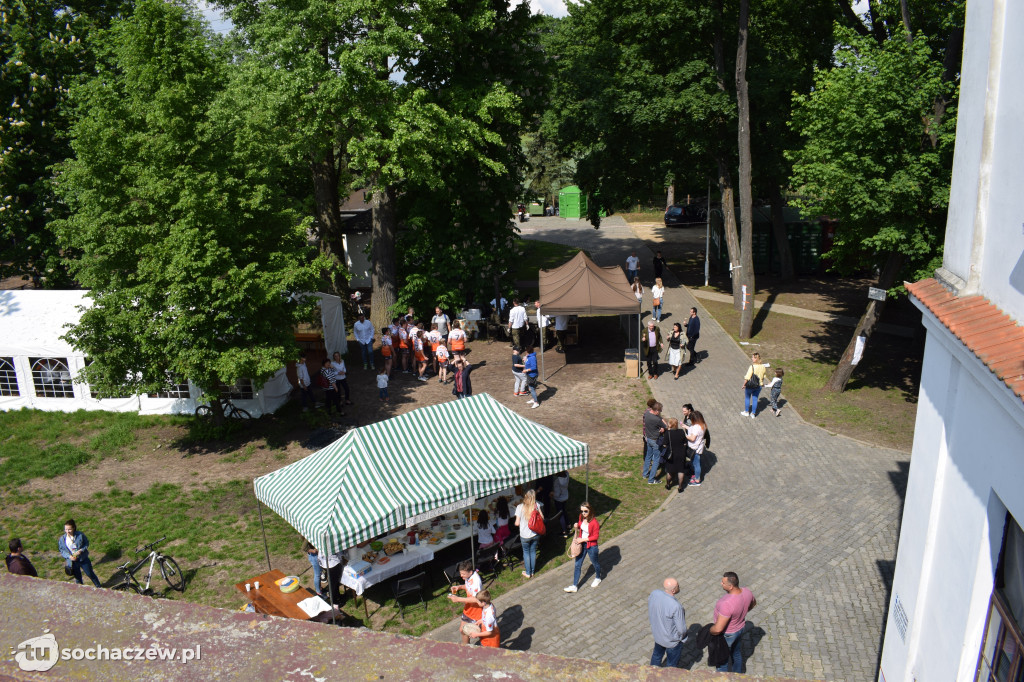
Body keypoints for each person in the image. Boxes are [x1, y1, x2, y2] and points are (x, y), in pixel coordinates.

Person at [711, 572, 757, 673]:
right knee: (736, 653)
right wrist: (742, 611)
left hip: (727, 634)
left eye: (723, 583)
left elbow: (718, 629)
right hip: (740, 628)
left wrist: (711, 630)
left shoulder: (726, 604)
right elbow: (753, 603)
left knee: (722, 660)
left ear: (730, 586)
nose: (721, 584)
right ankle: (738, 676)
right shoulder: (747, 592)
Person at [564, 501, 602, 592]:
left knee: (595, 563)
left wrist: (583, 540)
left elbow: (595, 536)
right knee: (577, 564)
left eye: (585, 511)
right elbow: (580, 527)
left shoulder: (594, 523)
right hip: (582, 545)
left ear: (590, 511)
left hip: (591, 546)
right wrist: (576, 526)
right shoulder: (581, 517)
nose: (583, 513)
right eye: (582, 511)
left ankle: (598, 577)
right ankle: (574, 586)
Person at [649, 577, 687, 667]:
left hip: (658, 636)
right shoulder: (676, 606)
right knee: (671, 664)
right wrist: (680, 638)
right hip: (672, 642)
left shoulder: (655, 593)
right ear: (673, 590)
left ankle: (651, 676)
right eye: (678, 586)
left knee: (656, 656)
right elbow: (681, 629)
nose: (679, 586)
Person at [448, 560, 483, 644]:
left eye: (463, 574)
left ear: (470, 572)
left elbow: (476, 599)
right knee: (462, 630)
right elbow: (468, 586)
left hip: (476, 611)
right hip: (468, 609)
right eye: (461, 573)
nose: (461, 576)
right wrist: (459, 587)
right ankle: (466, 649)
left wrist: (458, 599)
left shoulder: (476, 581)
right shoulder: (468, 577)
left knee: (479, 633)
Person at [58, 519, 101, 587]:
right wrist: (69, 557)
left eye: (69, 529)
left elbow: (86, 543)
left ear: (74, 528)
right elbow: (62, 550)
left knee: (90, 574)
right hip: (72, 562)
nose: (67, 531)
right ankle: (80, 590)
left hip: (83, 559)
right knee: (78, 578)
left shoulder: (80, 535)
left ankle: (99, 586)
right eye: (66, 529)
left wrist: (81, 550)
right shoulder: (62, 539)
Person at [514, 489, 543, 578]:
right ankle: (532, 571)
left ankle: (528, 572)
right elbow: (542, 517)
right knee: (533, 551)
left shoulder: (520, 507)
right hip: (535, 533)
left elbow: (517, 523)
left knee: (526, 552)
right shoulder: (536, 505)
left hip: (524, 535)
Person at [642, 401, 667, 484]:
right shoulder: (657, 419)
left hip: (648, 439)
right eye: (660, 411)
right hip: (655, 441)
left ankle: (645, 474)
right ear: (656, 411)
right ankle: (651, 480)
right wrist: (662, 429)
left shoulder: (647, 414)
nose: (660, 413)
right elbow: (665, 426)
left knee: (648, 456)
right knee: (656, 460)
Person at [664, 419, 689, 492]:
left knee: (670, 470)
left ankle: (668, 485)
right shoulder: (681, 432)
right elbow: (685, 442)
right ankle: (680, 487)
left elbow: (664, 444)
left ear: (670, 424)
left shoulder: (667, 433)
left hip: (671, 455)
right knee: (681, 471)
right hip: (681, 454)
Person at [741, 352, 768, 418]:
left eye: (753, 357)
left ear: (756, 359)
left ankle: (747, 412)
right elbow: (764, 376)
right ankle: (753, 413)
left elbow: (747, 377)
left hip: (750, 386)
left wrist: (744, 384)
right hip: (758, 386)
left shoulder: (752, 367)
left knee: (747, 398)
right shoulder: (763, 367)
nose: (752, 358)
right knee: (755, 399)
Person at [686, 410, 708, 487]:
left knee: (696, 464)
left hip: (694, 448)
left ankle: (697, 480)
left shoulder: (696, 427)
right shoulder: (703, 425)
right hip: (699, 447)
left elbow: (692, 438)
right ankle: (695, 476)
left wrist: (685, 436)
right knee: (696, 462)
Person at [549, 471, 570, 537]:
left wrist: (552, 494)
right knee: (564, 510)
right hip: (565, 496)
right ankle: (568, 525)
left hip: (559, 499)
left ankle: (564, 531)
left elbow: (557, 494)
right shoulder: (567, 474)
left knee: (560, 515)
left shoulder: (557, 481)